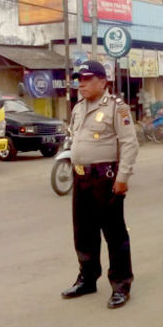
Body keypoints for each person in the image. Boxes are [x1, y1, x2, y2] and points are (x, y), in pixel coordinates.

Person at [61, 60, 139, 309]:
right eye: (79, 80)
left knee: (114, 235)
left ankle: (120, 285)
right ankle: (87, 278)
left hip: (105, 179)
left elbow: (130, 144)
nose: (81, 84)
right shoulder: (78, 108)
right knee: (83, 232)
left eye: (87, 79)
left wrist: (123, 178)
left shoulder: (118, 108)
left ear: (102, 82)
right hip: (81, 177)